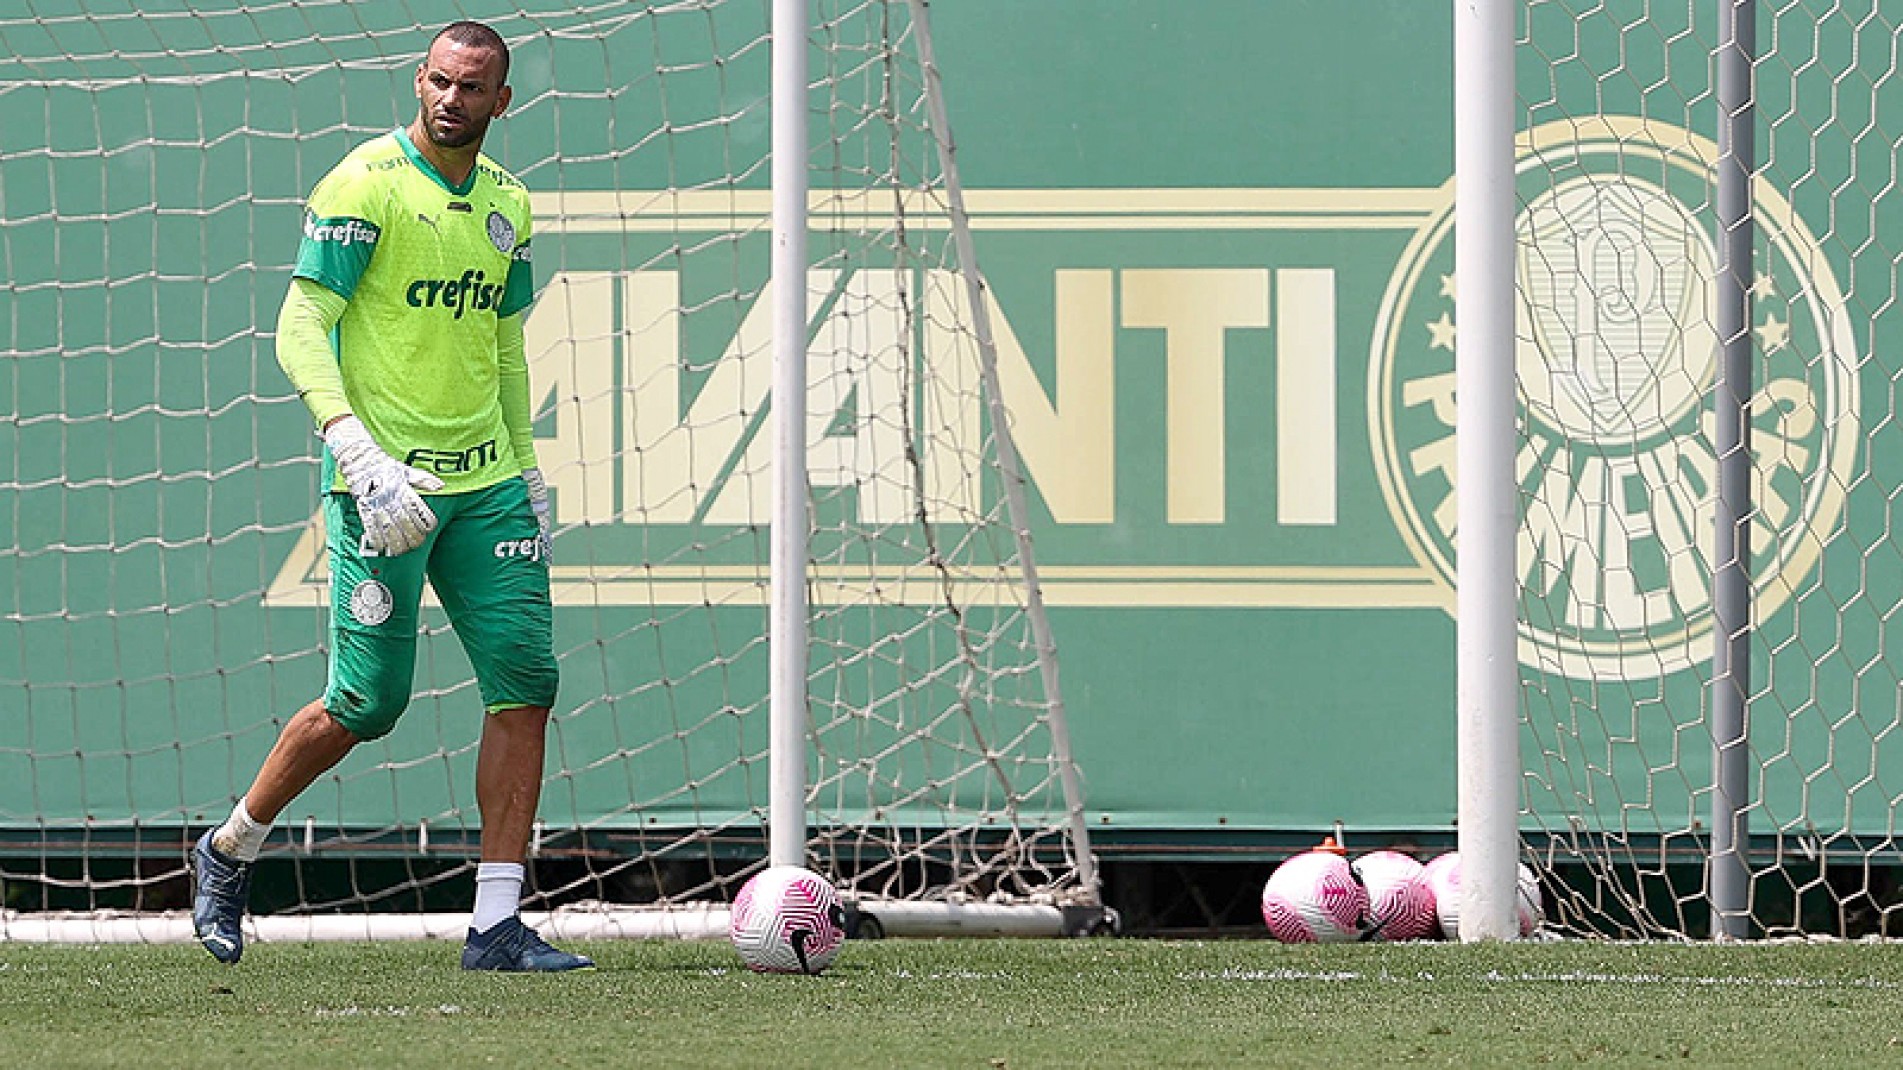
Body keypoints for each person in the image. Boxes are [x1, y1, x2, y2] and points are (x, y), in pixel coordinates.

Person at [191, 20, 590, 972]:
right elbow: (300, 326)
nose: (452, 99)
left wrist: (527, 465)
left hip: (486, 484)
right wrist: (355, 451)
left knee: (527, 685)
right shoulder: (362, 183)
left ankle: (496, 926)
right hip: (384, 484)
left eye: (473, 87)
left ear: (503, 101)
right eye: (440, 82)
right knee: (366, 706)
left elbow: (500, 343)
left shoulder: (509, 205)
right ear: (420, 82)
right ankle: (228, 848)